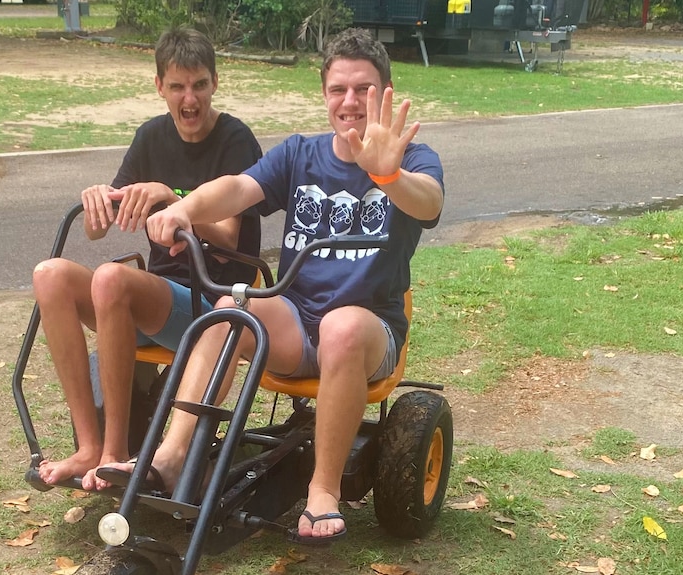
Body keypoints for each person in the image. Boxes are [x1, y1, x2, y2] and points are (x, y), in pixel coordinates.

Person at [111, 27, 444, 544]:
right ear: (324, 93)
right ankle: (172, 457)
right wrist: (182, 207)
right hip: (297, 322)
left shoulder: (412, 159)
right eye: (339, 89)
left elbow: (428, 204)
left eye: (363, 89)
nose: (350, 101)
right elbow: (238, 189)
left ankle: (323, 491)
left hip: (368, 330)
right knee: (230, 308)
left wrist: (388, 176)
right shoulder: (300, 154)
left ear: (385, 92)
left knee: (341, 327)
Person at [32, 27, 262, 492]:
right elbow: (99, 228)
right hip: (153, 300)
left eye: (198, 84)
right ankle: (88, 446)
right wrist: (97, 198)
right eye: (177, 86)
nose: (189, 98)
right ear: (160, 87)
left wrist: (175, 200)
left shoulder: (235, 140)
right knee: (51, 274)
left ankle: (115, 453)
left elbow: (229, 235)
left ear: (214, 82)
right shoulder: (151, 137)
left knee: (113, 279)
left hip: (212, 305)